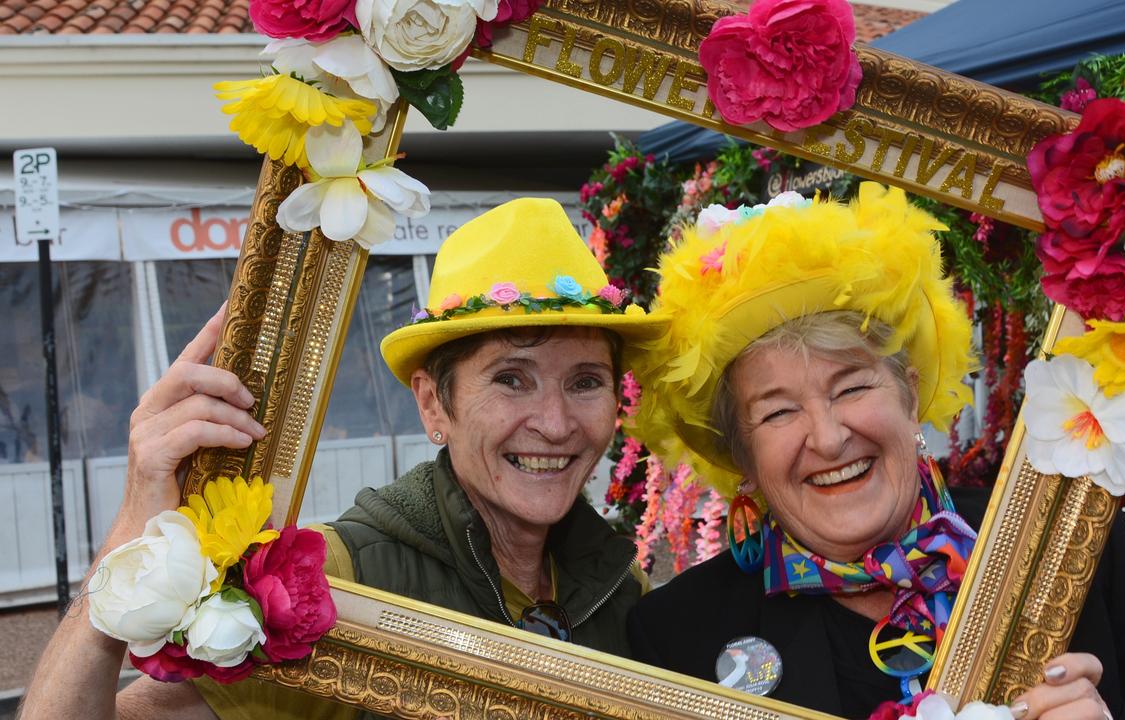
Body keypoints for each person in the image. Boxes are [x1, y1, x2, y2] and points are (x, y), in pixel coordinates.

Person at [21, 197, 664, 720]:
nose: (554, 425)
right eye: (511, 379)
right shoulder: (331, 582)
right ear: (433, 407)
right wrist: (129, 543)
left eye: (584, 382)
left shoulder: (620, 588)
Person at [625, 186, 1125, 720]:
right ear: (744, 455)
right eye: (779, 411)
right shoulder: (677, 634)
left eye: (852, 387)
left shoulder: (1064, 536)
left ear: (909, 391)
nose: (829, 436)